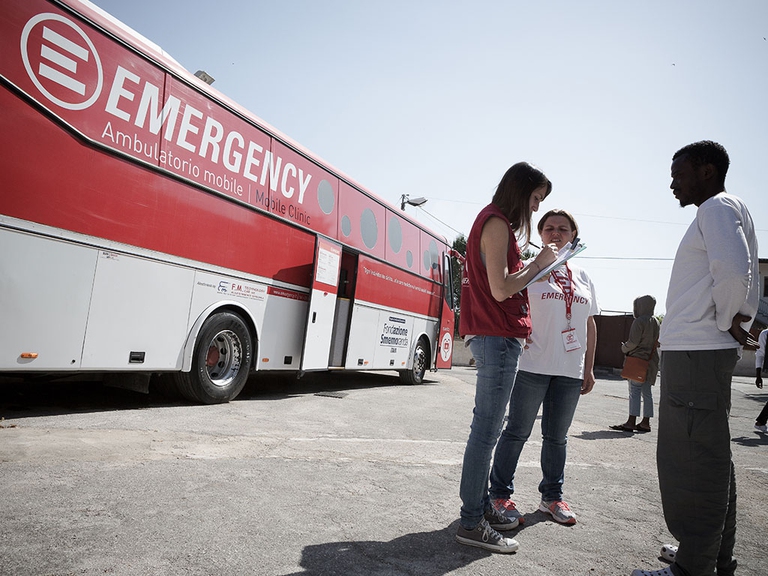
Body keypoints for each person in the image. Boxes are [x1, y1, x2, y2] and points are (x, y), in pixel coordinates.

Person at [631, 141, 759, 576]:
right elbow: (735, 269)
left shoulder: (716, 207)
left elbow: (734, 270)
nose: (672, 183)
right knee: (711, 457)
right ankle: (712, 559)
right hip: (702, 351)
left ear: (706, 170)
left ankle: (691, 567)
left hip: (698, 350)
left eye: (678, 173)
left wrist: (727, 319)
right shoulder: (730, 207)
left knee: (693, 463)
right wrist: (733, 318)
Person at [456, 162, 557, 553]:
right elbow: (500, 289)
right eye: (535, 199)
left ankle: (480, 508)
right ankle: (470, 522)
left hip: (497, 336)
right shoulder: (496, 222)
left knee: (488, 430)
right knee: (486, 431)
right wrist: (537, 265)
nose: (535, 209)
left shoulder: (494, 222)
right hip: (496, 336)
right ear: (520, 192)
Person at [488, 209, 599, 527]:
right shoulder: (528, 270)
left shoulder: (583, 276)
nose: (555, 233)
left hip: (569, 368)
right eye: (548, 228)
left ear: (572, 236)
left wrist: (588, 367)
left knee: (557, 438)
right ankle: (499, 495)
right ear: (540, 235)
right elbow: (506, 304)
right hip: (532, 364)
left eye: (563, 229)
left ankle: (551, 498)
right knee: (517, 431)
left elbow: (589, 323)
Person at [611, 295, 660, 433]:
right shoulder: (656, 321)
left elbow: (633, 342)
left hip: (637, 361)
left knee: (634, 391)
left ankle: (631, 421)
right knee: (647, 393)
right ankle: (645, 423)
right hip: (650, 362)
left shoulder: (639, 321)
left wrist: (623, 348)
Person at [754, 327, 768, 433]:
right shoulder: (765, 334)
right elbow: (760, 354)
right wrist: (758, 375)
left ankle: (761, 422)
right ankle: (760, 422)